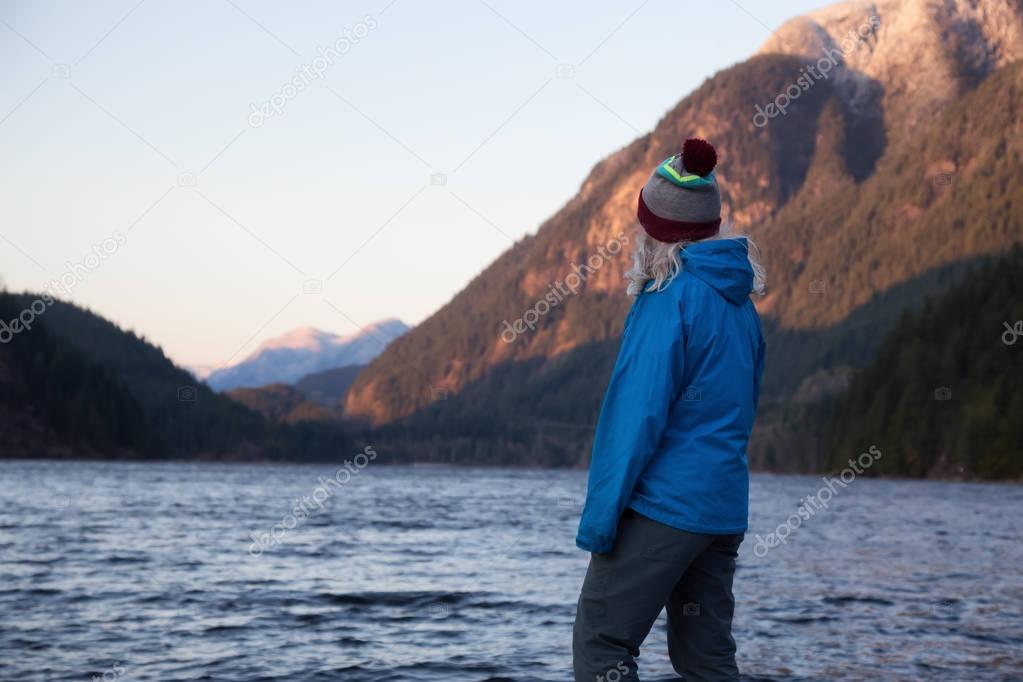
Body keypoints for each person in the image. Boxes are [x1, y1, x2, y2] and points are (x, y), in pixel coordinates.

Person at [573, 138, 766, 682]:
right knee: (706, 659)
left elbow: (634, 420)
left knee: (601, 644)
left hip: (664, 506)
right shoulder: (742, 309)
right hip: (721, 510)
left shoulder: (667, 299)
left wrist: (600, 520)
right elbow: (742, 409)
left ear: (654, 231)